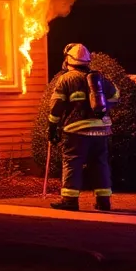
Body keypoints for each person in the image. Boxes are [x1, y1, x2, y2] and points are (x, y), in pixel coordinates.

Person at [48, 43, 120, 212]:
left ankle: (70, 201)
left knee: (72, 163)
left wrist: (52, 126)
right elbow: (116, 95)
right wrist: (104, 110)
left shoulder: (66, 79)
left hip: (76, 131)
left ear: (69, 60)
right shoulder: (99, 78)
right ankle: (104, 202)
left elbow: (57, 106)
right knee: (100, 163)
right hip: (101, 130)